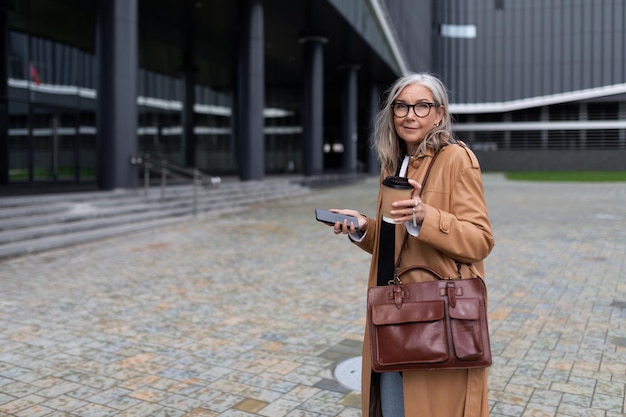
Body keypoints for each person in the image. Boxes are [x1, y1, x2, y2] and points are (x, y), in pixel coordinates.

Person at [327, 72, 495, 417]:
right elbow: (397, 243)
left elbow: (480, 239)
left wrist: (425, 217)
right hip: (394, 311)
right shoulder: (396, 163)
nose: (409, 115)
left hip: (436, 315)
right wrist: (363, 228)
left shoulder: (456, 159)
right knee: (392, 407)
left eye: (422, 106)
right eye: (401, 106)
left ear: (439, 113)